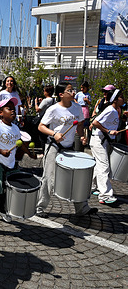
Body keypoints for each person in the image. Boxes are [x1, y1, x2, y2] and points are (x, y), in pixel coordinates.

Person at [36, 82, 98, 218]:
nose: (73, 92)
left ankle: (81, 207)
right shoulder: (53, 109)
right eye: (69, 90)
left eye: (73, 90)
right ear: (61, 94)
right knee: (48, 177)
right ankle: (40, 207)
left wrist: (82, 136)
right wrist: (54, 134)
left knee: (77, 175)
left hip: (69, 146)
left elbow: (80, 124)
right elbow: (41, 126)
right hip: (53, 145)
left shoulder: (76, 107)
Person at [0, 98, 36, 237]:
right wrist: (0, 151)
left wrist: (29, 153)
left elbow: (20, 144)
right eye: (9, 108)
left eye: (13, 109)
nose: (13, 111)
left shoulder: (15, 128)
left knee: (9, 191)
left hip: (10, 165)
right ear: (0, 114)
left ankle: (3, 211)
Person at [89, 88, 123, 204]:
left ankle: (92, 187)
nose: (123, 99)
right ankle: (105, 195)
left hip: (101, 141)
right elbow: (95, 122)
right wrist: (108, 131)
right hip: (99, 141)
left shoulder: (114, 110)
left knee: (99, 166)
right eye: (121, 97)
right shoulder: (111, 110)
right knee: (104, 166)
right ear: (115, 99)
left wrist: (112, 132)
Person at [34, 85, 55, 151]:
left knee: (42, 137)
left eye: (44, 91)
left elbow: (38, 109)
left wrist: (35, 103)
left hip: (42, 119)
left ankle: (43, 151)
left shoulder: (45, 100)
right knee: (46, 136)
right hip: (49, 120)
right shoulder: (53, 100)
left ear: (47, 92)